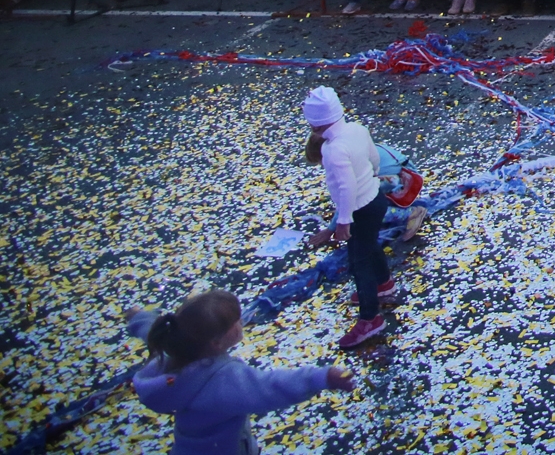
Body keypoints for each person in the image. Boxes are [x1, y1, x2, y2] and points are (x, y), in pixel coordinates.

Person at [126, 289, 353, 452]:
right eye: (235, 321)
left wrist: (139, 318)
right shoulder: (222, 380)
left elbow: (151, 330)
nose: (241, 322)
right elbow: (270, 387)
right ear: (216, 342)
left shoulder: (173, 350)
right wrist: (320, 377)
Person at [301, 85, 395, 350]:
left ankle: (370, 318)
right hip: (376, 199)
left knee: (359, 262)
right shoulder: (357, 129)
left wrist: (343, 221)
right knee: (370, 243)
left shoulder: (332, 150)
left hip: (360, 209)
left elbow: (346, 188)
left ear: (315, 125)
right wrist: (374, 175)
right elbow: (374, 158)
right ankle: (385, 283)